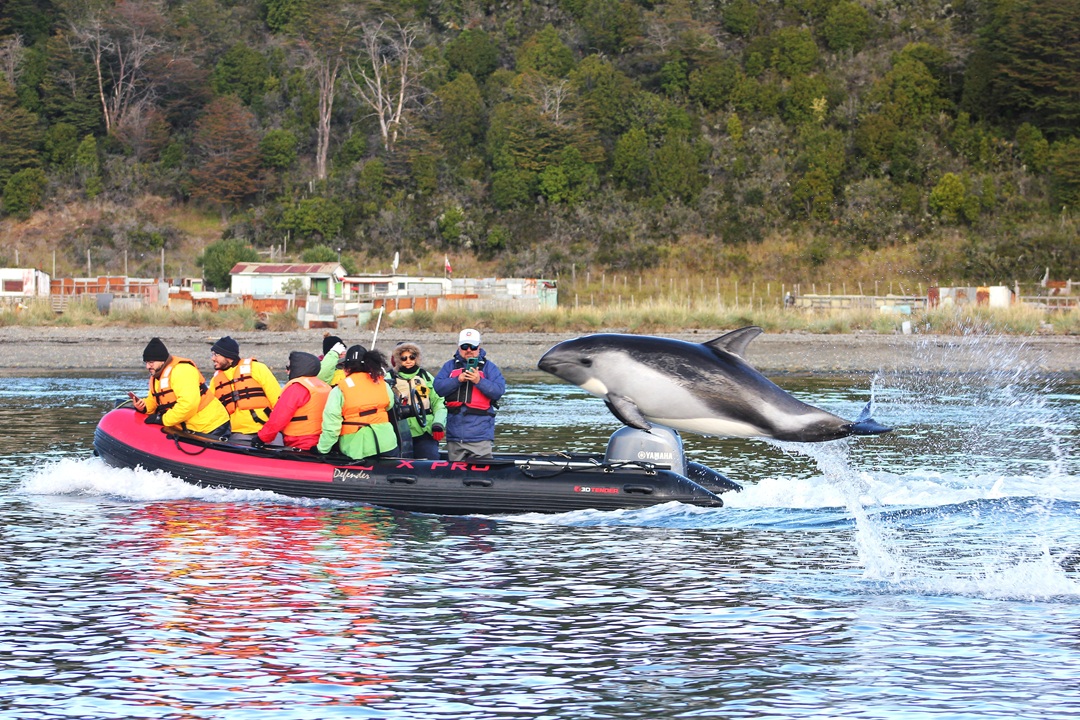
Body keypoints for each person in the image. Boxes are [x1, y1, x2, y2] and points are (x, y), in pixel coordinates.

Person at [132, 337, 231, 438]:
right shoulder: (157, 377)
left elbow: (188, 404)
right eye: (146, 363)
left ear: (162, 361)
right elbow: (153, 400)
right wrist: (144, 407)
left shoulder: (182, 371)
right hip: (189, 428)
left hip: (211, 425)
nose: (148, 367)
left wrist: (162, 419)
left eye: (151, 362)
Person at [433, 328, 506, 462]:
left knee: (481, 474)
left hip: (480, 436)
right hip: (454, 436)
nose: (469, 350)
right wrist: (458, 380)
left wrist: (479, 381)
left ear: (479, 347)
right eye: (465, 346)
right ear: (459, 347)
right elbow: (438, 388)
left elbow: (498, 391)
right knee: (456, 475)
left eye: (473, 346)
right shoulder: (449, 367)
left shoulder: (490, 368)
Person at [317, 345, 398, 460]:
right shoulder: (382, 383)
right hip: (387, 443)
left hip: (357, 448)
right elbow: (390, 404)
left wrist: (322, 449)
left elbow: (331, 427)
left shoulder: (340, 390)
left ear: (346, 368)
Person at [207, 335, 282, 442]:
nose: (212, 358)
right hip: (237, 434)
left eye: (216, 355)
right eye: (212, 354)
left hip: (267, 430)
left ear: (228, 355)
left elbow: (278, 401)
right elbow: (211, 410)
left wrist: (274, 428)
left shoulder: (257, 368)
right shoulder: (215, 380)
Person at [255, 351, 330, 450]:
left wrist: (261, 438)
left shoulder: (297, 388)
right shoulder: (324, 386)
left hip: (300, 442)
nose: (287, 371)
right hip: (322, 441)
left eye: (289, 368)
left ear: (298, 369)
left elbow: (279, 417)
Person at [390, 342, 447, 460]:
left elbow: (439, 402)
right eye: (404, 358)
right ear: (398, 360)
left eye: (412, 357)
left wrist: (438, 424)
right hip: (399, 432)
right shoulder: (389, 378)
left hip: (424, 430)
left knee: (430, 458)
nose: (408, 361)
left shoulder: (426, 377)